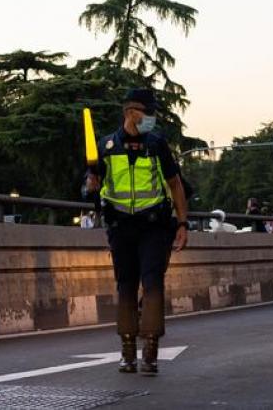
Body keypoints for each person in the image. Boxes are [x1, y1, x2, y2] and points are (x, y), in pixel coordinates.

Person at [85, 88, 189, 375]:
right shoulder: (106, 146)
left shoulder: (156, 144)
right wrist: (90, 186)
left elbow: (175, 184)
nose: (152, 118)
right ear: (131, 112)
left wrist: (182, 223)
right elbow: (92, 186)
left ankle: (151, 349)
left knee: (153, 282)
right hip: (120, 227)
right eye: (148, 112)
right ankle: (128, 351)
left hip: (154, 225)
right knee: (126, 284)